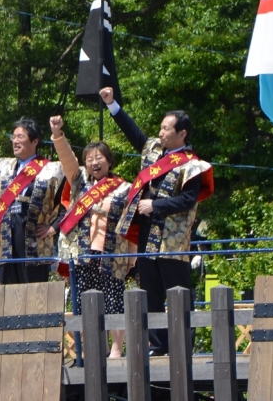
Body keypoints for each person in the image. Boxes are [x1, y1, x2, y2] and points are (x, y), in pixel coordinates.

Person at [100, 87, 214, 356]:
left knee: (178, 292)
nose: (160, 133)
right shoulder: (152, 149)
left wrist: (156, 205)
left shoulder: (193, 165)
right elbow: (134, 132)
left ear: (182, 133)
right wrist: (112, 104)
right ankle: (157, 345)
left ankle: (182, 346)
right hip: (147, 235)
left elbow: (188, 199)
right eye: (161, 128)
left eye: (166, 129)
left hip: (173, 238)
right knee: (149, 291)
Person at [49, 115, 132, 358]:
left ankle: (116, 350)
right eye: (89, 159)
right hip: (81, 252)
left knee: (114, 300)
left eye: (99, 158)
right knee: (85, 303)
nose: (94, 162)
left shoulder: (124, 188)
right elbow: (66, 158)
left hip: (112, 252)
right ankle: (95, 349)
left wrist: (132, 258)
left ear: (109, 161)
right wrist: (57, 134)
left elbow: (131, 224)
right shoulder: (78, 182)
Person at [0, 118, 65, 285]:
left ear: (35, 141)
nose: (15, 141)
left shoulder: (51, 169)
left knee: (35, 296)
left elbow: (67, 203)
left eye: (20, 137)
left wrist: (54, 227)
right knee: (9, 293)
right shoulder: (3, 166)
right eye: (13, 137)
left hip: (35, 241)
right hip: (7, 239)